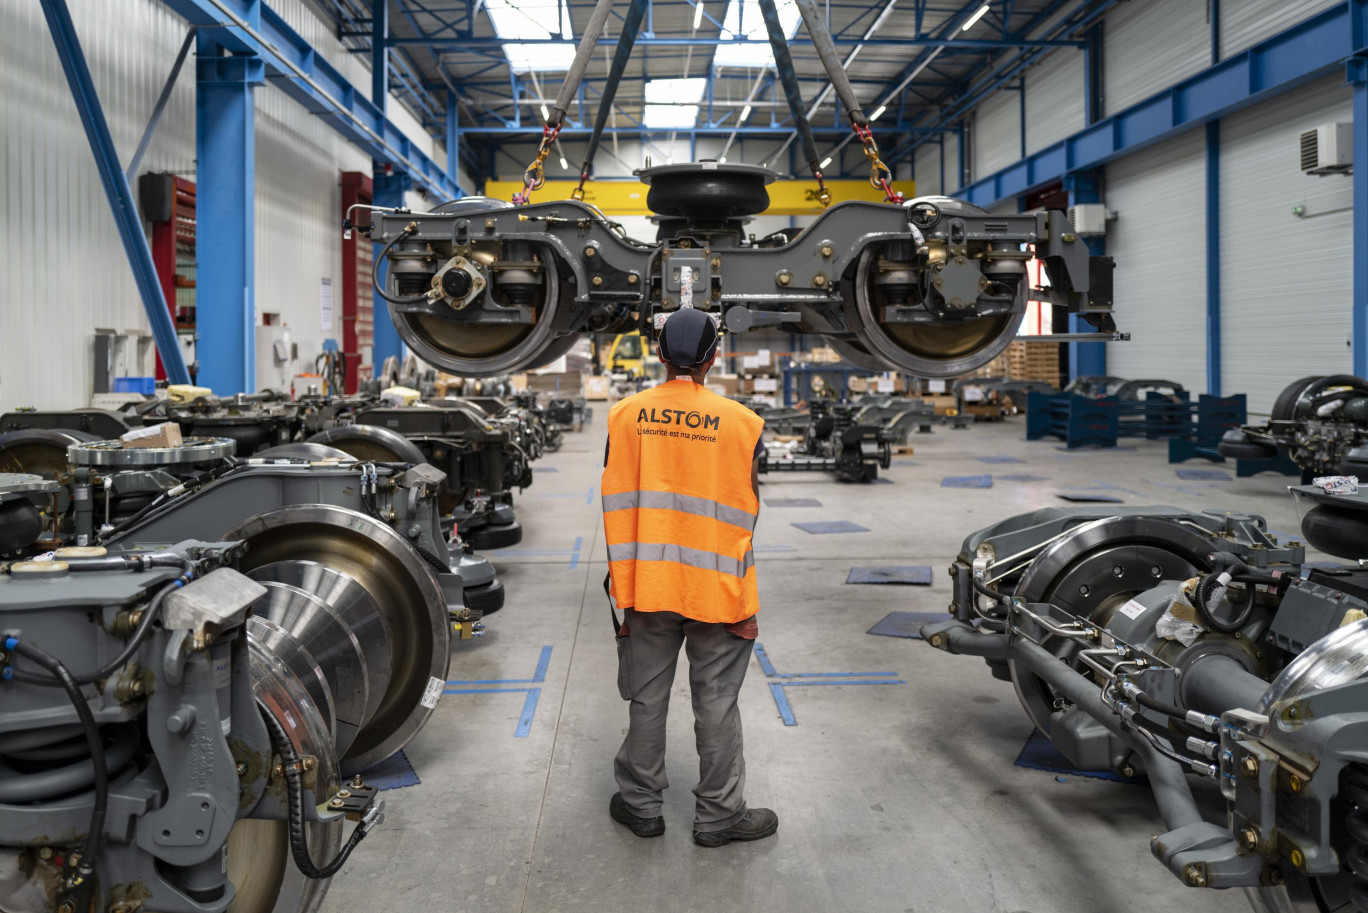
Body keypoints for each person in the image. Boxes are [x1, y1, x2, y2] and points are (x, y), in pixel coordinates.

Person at [600, 307, 777, 848]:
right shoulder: (743, 423)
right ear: (713, 356)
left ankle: (641, 806)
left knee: (648, 697)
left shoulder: (624, 416)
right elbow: (749, 501)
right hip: (718, 589)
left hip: (646, 584)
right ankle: (720, 817)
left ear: (659, 354)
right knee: (717, 701)